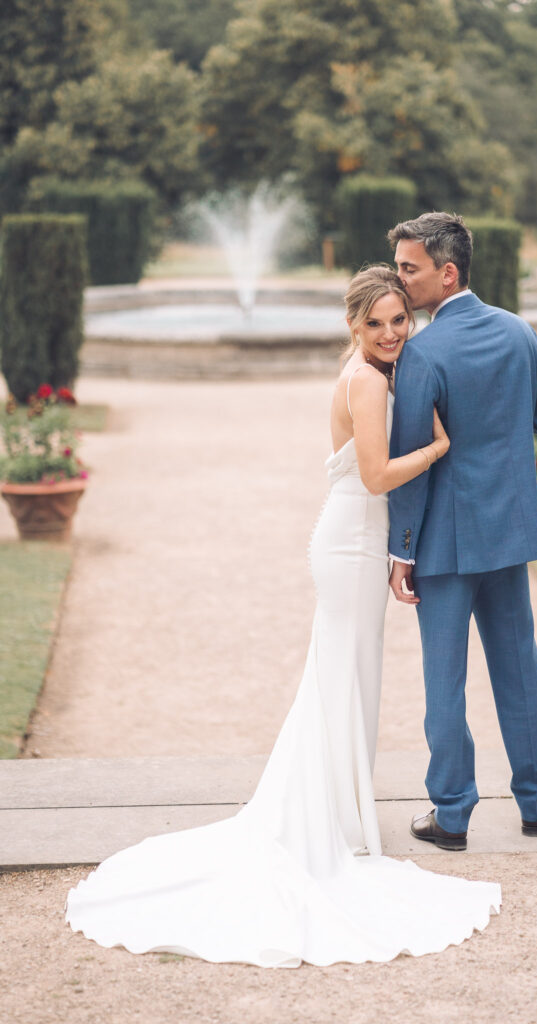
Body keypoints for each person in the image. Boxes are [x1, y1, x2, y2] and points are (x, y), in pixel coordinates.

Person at [65, 265, 500, 968]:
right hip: (349, 542)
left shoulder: (369, 369)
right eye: (377, 323)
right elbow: (375, 476)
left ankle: (341, 815)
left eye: (399, 320)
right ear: (353, 326)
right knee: (340, 677)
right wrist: (438, 448)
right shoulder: (363, 379)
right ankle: (329, 822)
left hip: (361, 542)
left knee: (346, 679)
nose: (392, 333)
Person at [387, 213, 537, 851]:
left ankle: (452, 815)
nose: (402, 281)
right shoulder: (519, 331)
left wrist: (400, 552)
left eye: (411, 269)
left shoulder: (423, 352)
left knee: (445, 680)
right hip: (509, 535)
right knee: (520, 668)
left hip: (444, 544)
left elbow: (411, 460)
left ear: (446, 272)